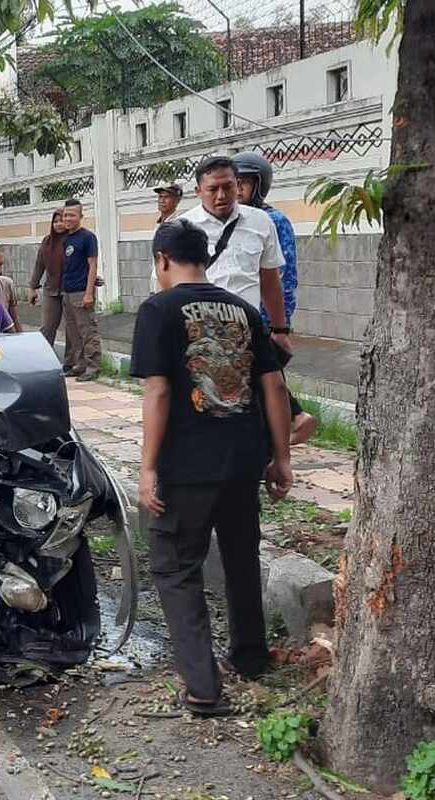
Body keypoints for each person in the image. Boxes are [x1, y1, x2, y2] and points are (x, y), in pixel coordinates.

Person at [130, 218, 293, 716]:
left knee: (175, 567)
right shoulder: (244, 310)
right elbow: (274, 386)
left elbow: (158, 391)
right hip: (244, 460)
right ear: (205, 258)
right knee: (241, 558)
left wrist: (147, 468)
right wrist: (281, 457)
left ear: (162, 260)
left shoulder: (158, 309)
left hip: (187, 465)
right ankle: (250, 656)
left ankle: (202, 687)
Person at [231, 152, 316, 445]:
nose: (237, 189)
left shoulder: (274, 220)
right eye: (235, 182)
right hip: (239, 313)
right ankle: (292, 420)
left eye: (244, 183)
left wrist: (279, 322)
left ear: (260, 185)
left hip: (264, 316)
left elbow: (284, 275)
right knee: (259, 374)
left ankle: (292, 421)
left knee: (264, 374)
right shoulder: (236, 219)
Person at [179, 156, 290, 356]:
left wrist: (280, 330)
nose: (221, 195)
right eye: (213, 189)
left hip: (248, 332)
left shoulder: (261, 222)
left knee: (267, 377)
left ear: (237, 185)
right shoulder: (182, 228)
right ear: (198, 191)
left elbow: (270, 281)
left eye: (228, 187)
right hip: (199, 336)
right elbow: (166, 285)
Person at [59, 199, 102, 381]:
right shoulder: (66, 239)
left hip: (81, 291)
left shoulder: (88, 237)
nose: (67, 219)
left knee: (88, 331)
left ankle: (93, 367)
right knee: (73, 333)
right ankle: (80, 364)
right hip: (67, 292)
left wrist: (89, 293)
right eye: (65, 215)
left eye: (72, 215)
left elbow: (92, 265)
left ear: (80, 216)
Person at [29, 209, 67, 347]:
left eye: (61, 221)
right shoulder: (47, 241)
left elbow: (84, 264)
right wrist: (32, 287)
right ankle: (45, 354)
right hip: (51, 290)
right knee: (47, 327)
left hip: (70, 290)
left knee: (72, 329)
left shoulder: (73, 240)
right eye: (55, 221)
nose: (58, 224)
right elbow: (39, 265)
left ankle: (72, 358)